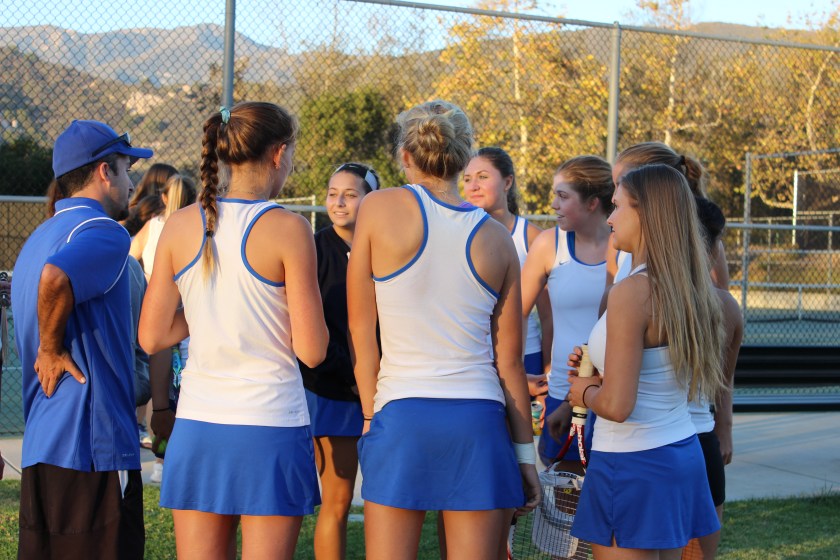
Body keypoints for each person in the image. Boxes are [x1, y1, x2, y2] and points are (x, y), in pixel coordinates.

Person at [347, 100, 540, 560]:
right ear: (463, 158)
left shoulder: (378, 208)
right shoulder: (499, 239)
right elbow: (509, 364)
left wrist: (373, 417)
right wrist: (526, 458)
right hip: (478, 420)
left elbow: (360, 327)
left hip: (402, 413)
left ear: (405, 156)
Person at [138, 101, 328, 559]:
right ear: (278, 153)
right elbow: (313, 350)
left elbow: (151, 336)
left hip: (200, 428)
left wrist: (207, 311)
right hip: (269, 427)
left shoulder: (180, 225)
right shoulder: (289, 228)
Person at [567, 164, 724, 559]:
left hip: (632, 463)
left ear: (647, 213)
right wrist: (601, 370)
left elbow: (618, 406)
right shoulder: (690, 288)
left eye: (618, 207)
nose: (610, 217)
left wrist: (584, 390)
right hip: (678, 454)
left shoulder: (632, 292)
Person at [11, 119, 152, 559]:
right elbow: (56, 279)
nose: (132, 183)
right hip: (93, 446)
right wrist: (51, 349)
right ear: (104, 172)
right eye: (128, 170)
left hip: (44, 443)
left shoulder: (38, 237)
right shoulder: (104, 231)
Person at [299, 162, 379, 560]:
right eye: (332, 193)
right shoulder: (313, 248)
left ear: (372, 200)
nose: (339, 201)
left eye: (350, 193)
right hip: (324, 389)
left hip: (372, 390)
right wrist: (349, 374)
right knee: (318, 497)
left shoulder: (386, 249)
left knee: (350, 499)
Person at [520, 155, 613, 468]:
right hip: (563, 391)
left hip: (616, 391)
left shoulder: (625, 245)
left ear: (592, 203)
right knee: (564, 502)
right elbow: (512, 312)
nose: (554, 205)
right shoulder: (549, 244)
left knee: (609, 499)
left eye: (563, 196)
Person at [463, 147, 552, 402]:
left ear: (508, 182)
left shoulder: (533, 237)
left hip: (525, 359)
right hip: (475, 362)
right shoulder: (458, 235)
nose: (473, 186)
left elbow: (548, 316)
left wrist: (548, 374)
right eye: (467, 179)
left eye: (482, 177)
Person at [682, 197, 744, 560]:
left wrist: (725, 427)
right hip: (670, 446)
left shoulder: (724, 308)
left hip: (693, 440)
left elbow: (724, 377)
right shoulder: (631, 293)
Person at [606, 142, 729, 297]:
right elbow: (606, 306)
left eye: (622, 184)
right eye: (615, 186)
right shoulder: (616, 240)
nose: (614, 197)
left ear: (658, 184)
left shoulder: (701, 239)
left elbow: (720, 303)